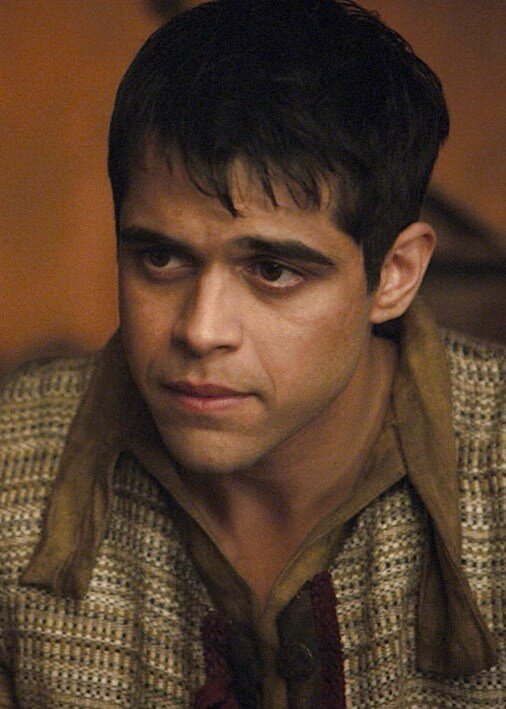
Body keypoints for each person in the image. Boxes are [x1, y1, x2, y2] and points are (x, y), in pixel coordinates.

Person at [0, 0, 504, 706]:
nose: (201, 330)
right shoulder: (12, 468)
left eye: (273, 270)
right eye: (161, 258)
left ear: (394, 275)